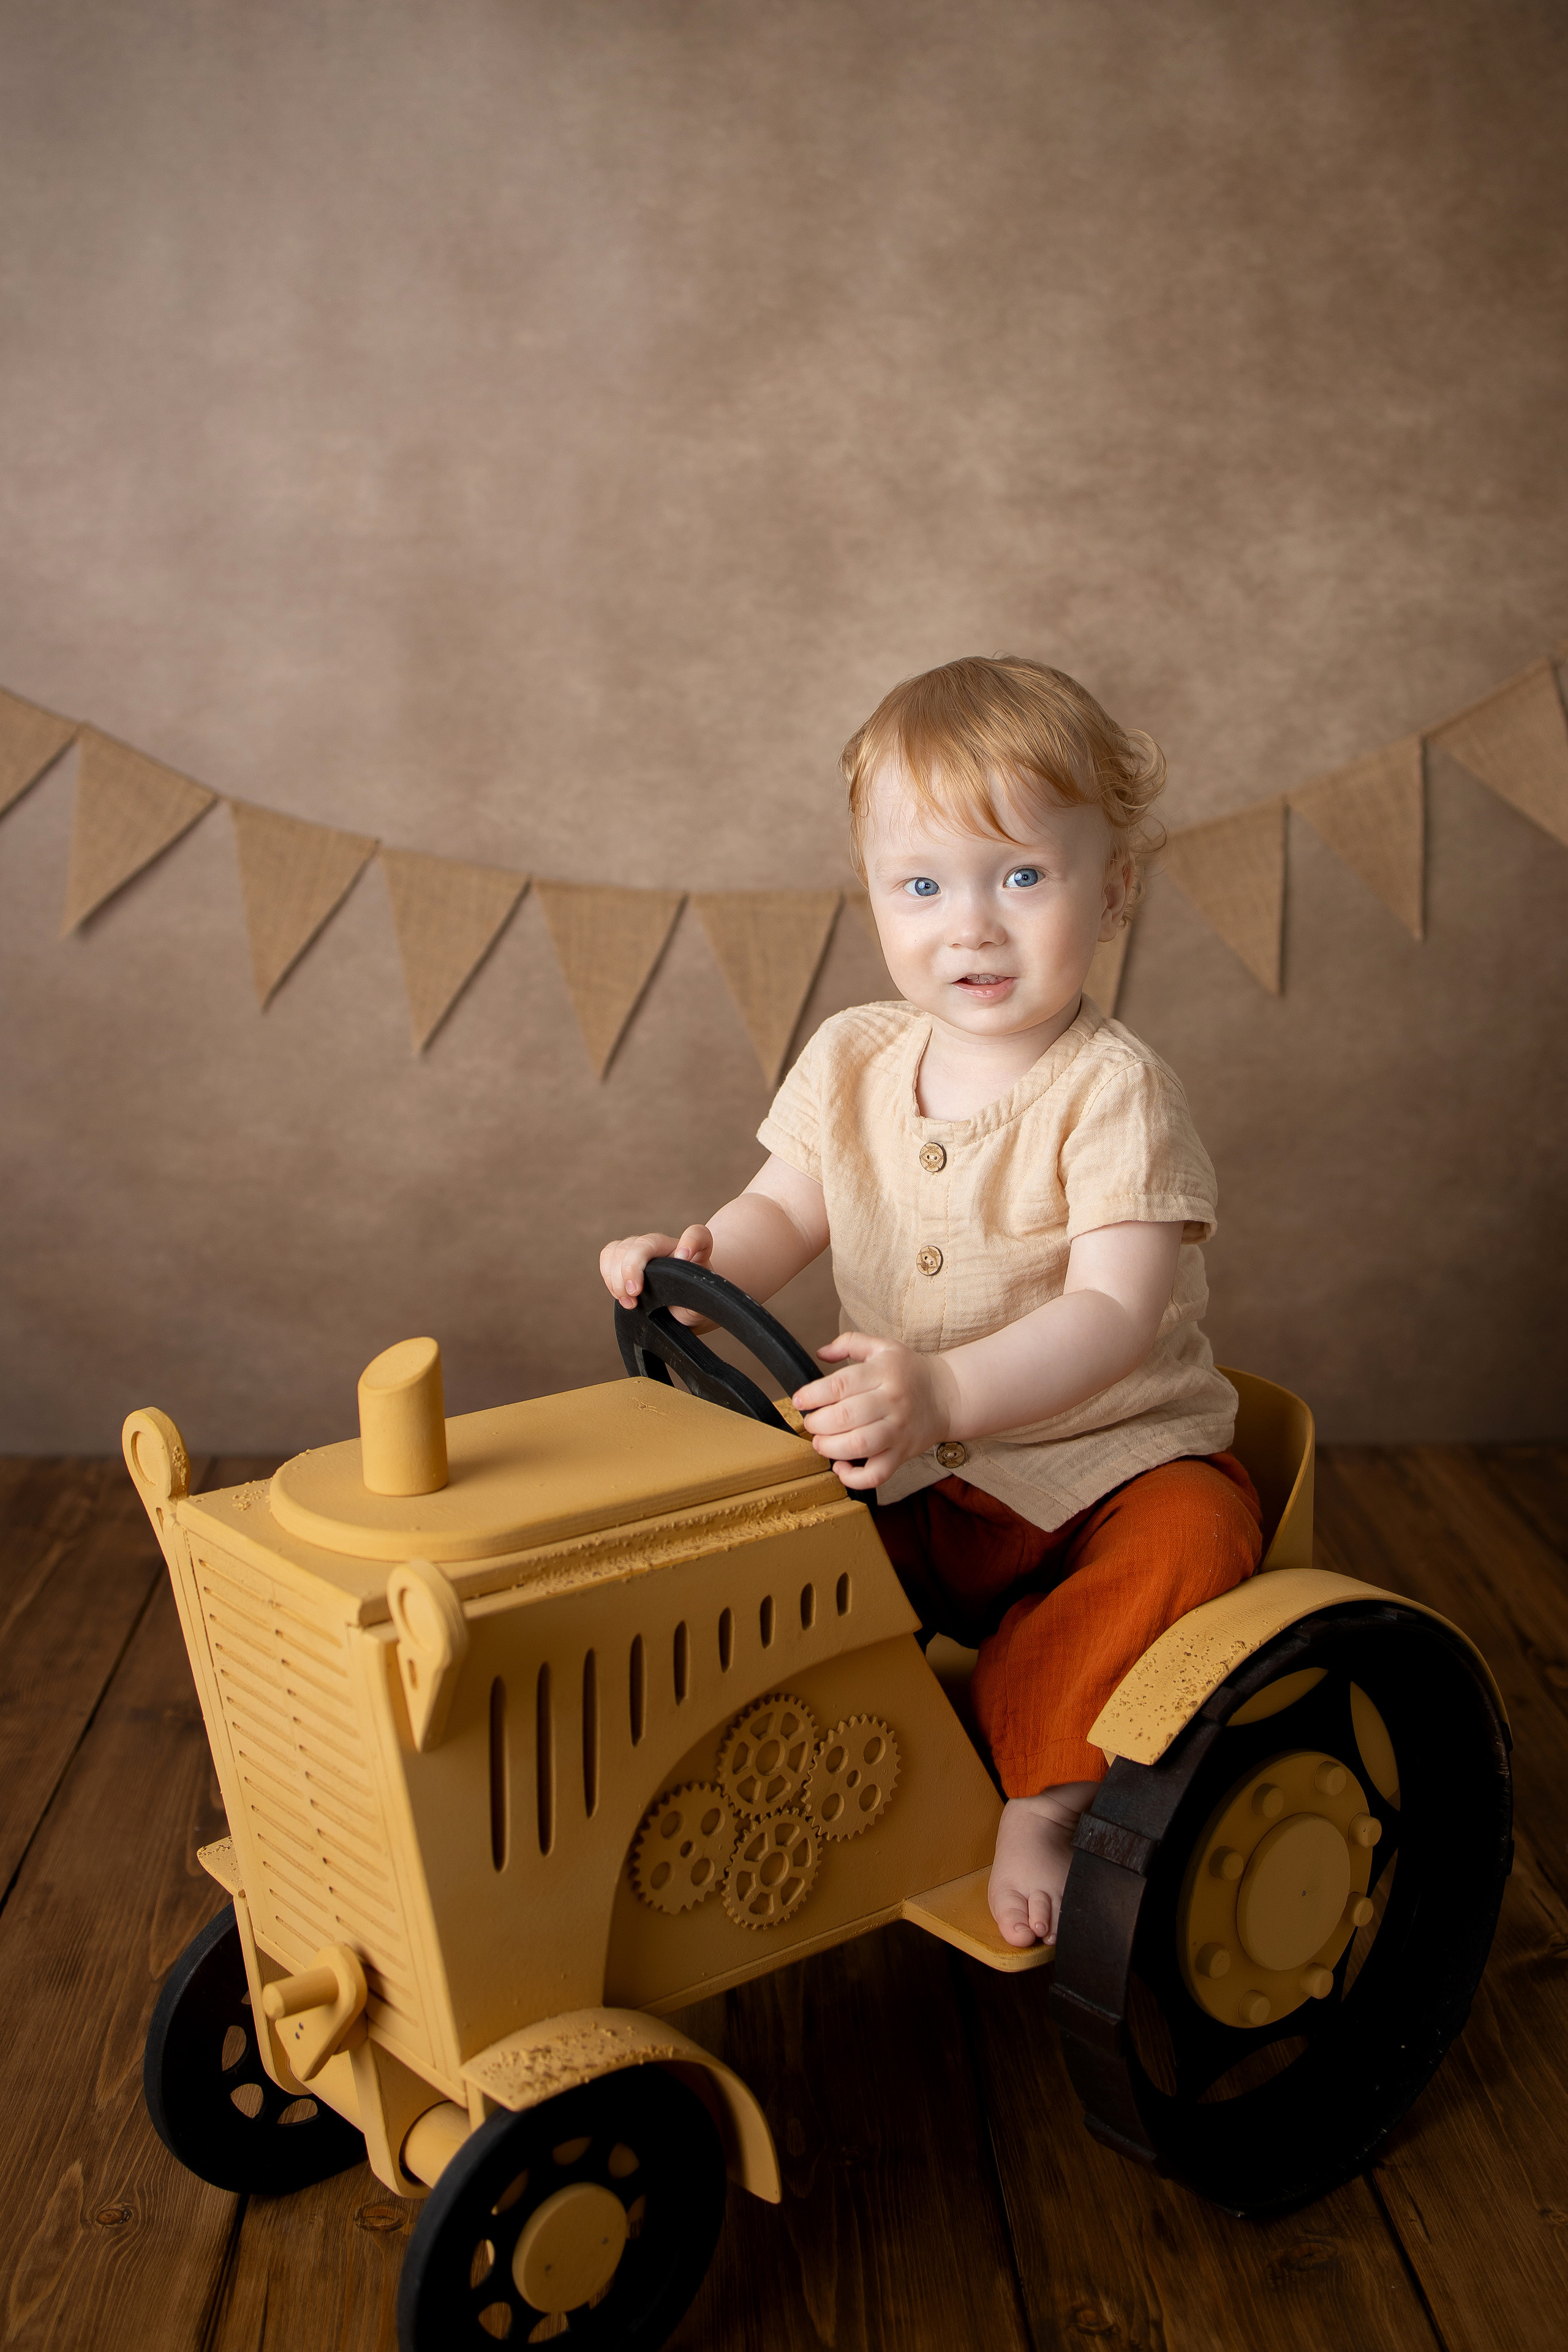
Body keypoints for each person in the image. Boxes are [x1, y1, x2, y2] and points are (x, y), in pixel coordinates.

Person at [600, 655, 1261, 1948]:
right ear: (874, 901)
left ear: (1111, 888)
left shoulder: (1111, 1091)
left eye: (1020, 876)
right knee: (751, 1538)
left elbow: (1112, 1311)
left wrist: (948, 1388)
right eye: (922, 885)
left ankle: (1048, 1796)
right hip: (901, 1469)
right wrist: (700, 1259)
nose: (970, 925)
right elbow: (786, 1210)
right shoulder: (852, 1057)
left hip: (1099, 1470)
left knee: (1188, 1541)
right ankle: (798, 1759)